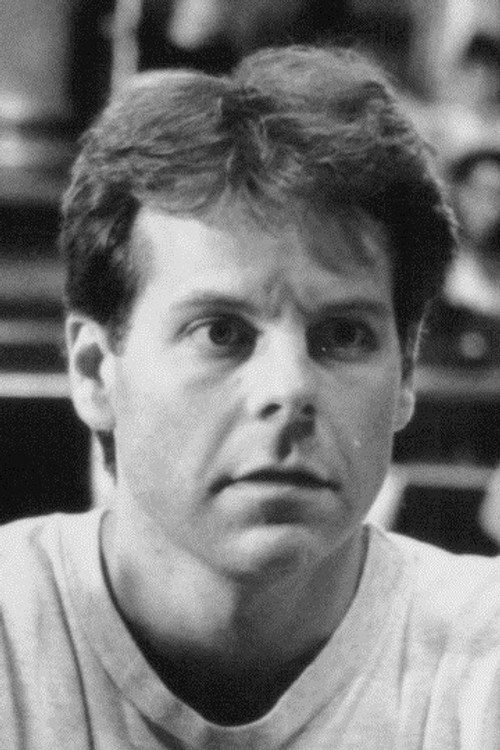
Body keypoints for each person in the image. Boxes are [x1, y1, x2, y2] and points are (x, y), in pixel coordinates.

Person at [1, 43, 499, 749]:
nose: (290, 389)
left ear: (406, 377)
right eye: (221, 333)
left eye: (344, 335)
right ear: (93, 370)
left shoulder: (482, 659)